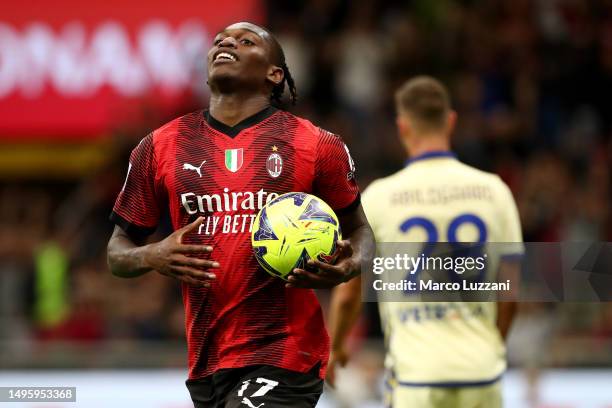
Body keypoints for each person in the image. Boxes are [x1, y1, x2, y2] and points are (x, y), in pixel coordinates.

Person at [106, 21, 374, 408]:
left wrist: (349, 266)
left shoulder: (316, 145)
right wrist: (151, 254)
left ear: (274, 73)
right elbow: (117, 251)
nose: (227, 43)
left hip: (286, 351)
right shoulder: (160, 146)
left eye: (245, 41)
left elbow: (362, 234)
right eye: (220, 41)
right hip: (207, 360)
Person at [327, 76, 523, 407]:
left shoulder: (380, 197)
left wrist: (336, 346)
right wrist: (491, 345)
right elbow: (511, 291)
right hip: (482, 373)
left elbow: (348, 293)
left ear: (403, 127)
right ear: (451, 121)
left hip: (416, 378)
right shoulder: (495, 191)